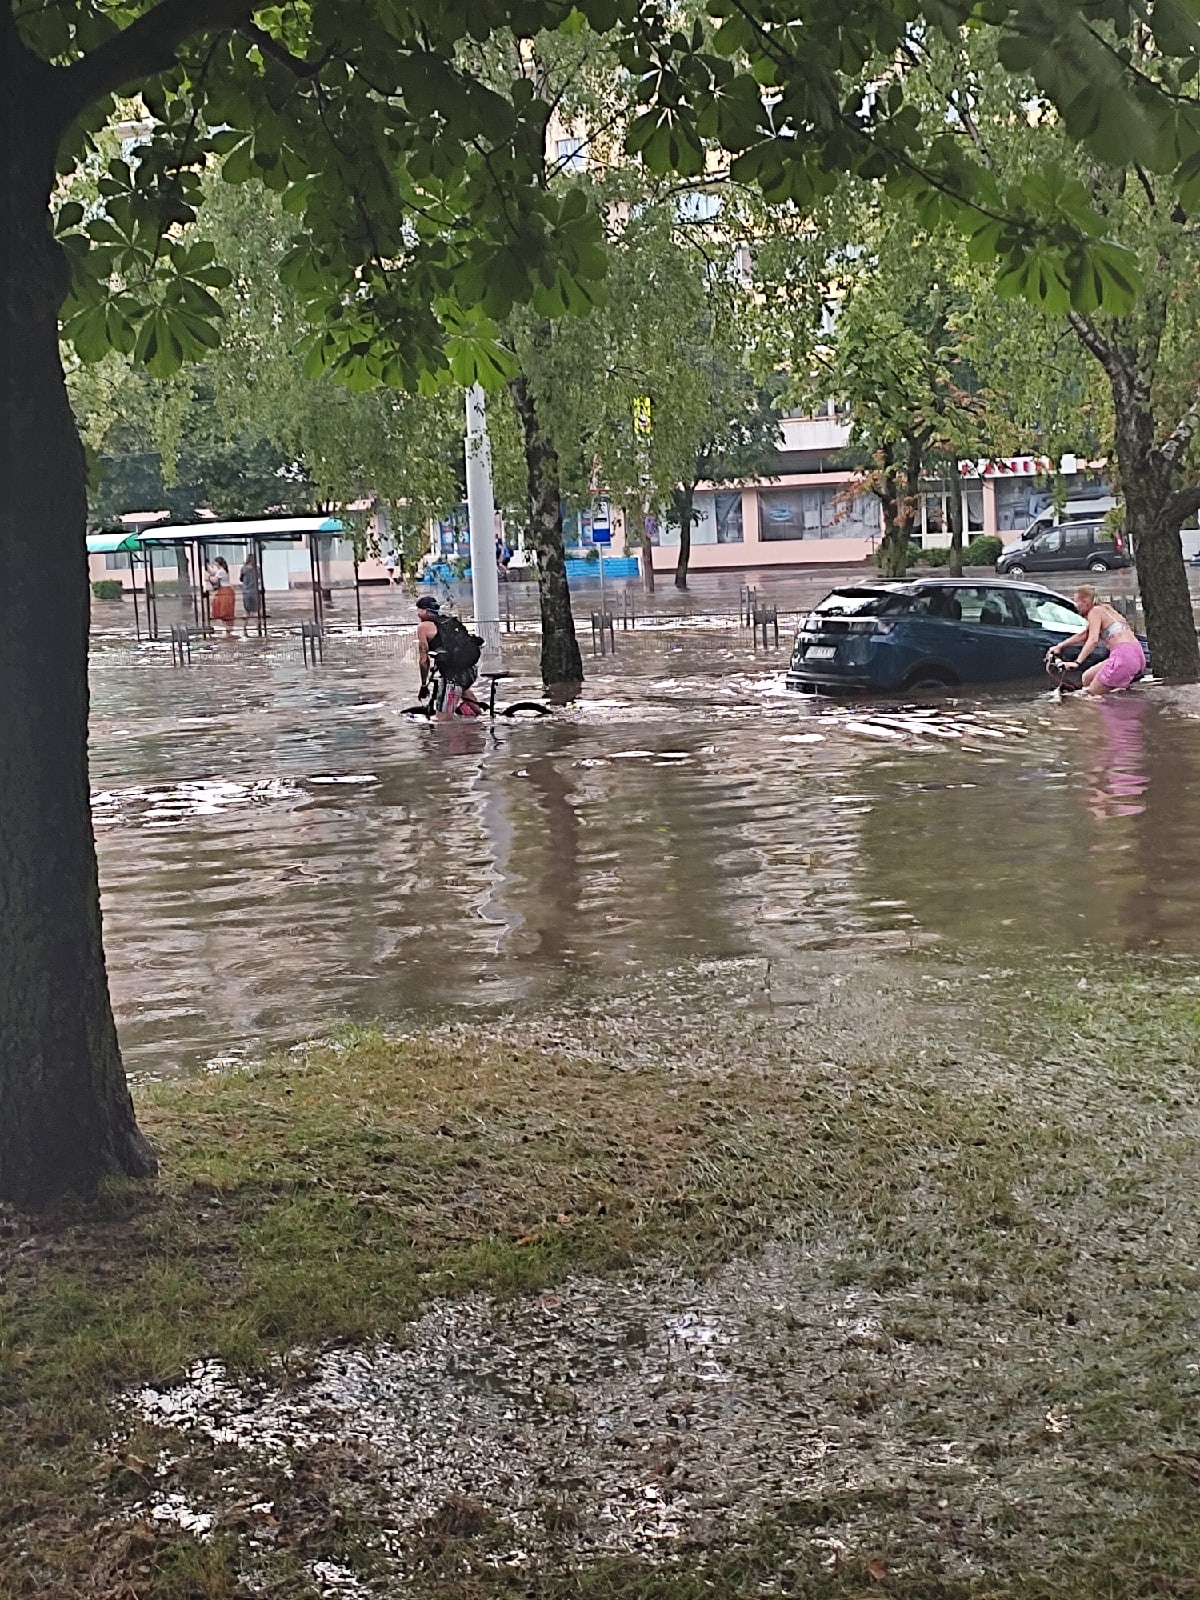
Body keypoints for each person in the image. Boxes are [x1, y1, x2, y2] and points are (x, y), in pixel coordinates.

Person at [1046, 585, 1146, 696]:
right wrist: (1060, 646)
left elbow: (1093, 639)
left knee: (1091, 697)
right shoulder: (1106, 608)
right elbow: (1085, 634)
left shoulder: (1094, 612)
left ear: (1085, 602)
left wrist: (1077, 662)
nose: (1076, 606)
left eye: (1076, 602)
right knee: (1087, 677)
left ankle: (1109, 712)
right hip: (1136, 654)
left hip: (1123, 657)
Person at [415, 595, 482, 715]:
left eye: (419, 610)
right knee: (463, 691)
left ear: (425, 610)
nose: (417, 614)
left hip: (453, 677)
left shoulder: (423, 627)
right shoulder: (449, 621)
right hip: (470, 671)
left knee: (443, 722)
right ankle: (482, 721)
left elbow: (423, 660)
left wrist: (424, 684)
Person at [206, 556, 236, 638]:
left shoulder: (221, 571)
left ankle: (227, 629)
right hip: (225, 590)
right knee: (224, 609)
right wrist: (207, 566)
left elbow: (214, 579)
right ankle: (227, 629)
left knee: (224, 610)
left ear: (218, 563)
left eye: (215, 562)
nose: (214, 564)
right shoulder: (222, 570)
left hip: (224, 591)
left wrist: (208, 577)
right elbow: (213, 572)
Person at [239, 551, 261, 633]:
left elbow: (240, 579)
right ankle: (258, 628)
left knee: (247, 612)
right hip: (255, 592)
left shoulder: (243, 568)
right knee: (256, 611)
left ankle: (244, 629)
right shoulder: (257, 569)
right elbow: (259, 578)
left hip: (246, 592)